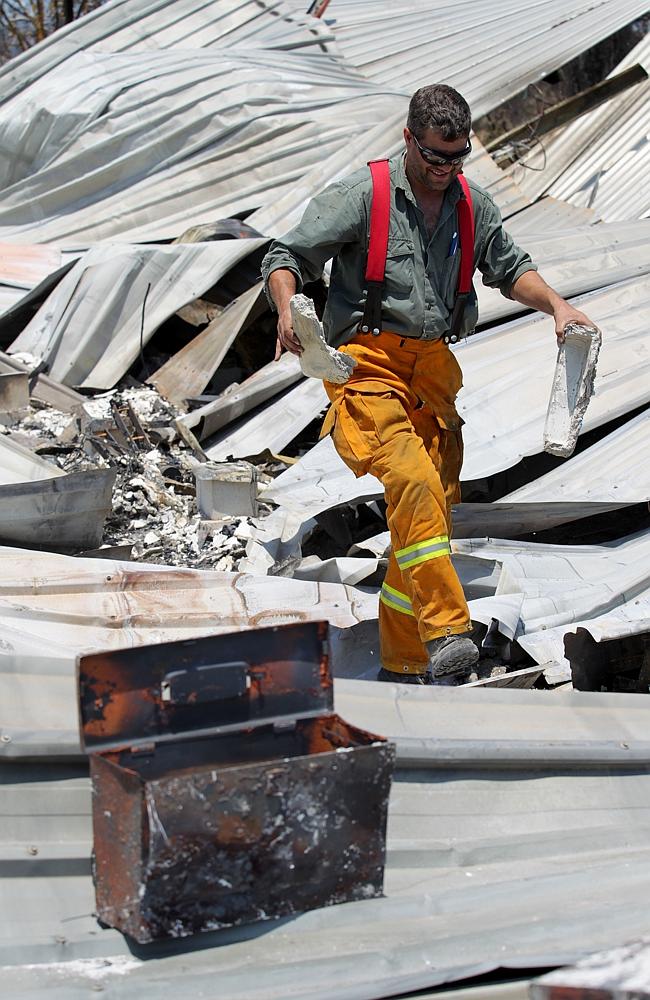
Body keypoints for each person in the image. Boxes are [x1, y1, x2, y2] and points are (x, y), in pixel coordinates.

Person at [261, 83, 595, 686]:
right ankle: (446, 630)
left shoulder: (471, 205)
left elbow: (510, 267)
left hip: (434, 375)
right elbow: (286, 256)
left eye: (457, 156)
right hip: (366, 364)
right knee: (411, 481)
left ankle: (406, 663)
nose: (446, 169)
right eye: (436, 156)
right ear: (409, 139)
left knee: (428, 515)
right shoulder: (364, 195)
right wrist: (287, 308)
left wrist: (557, 306)